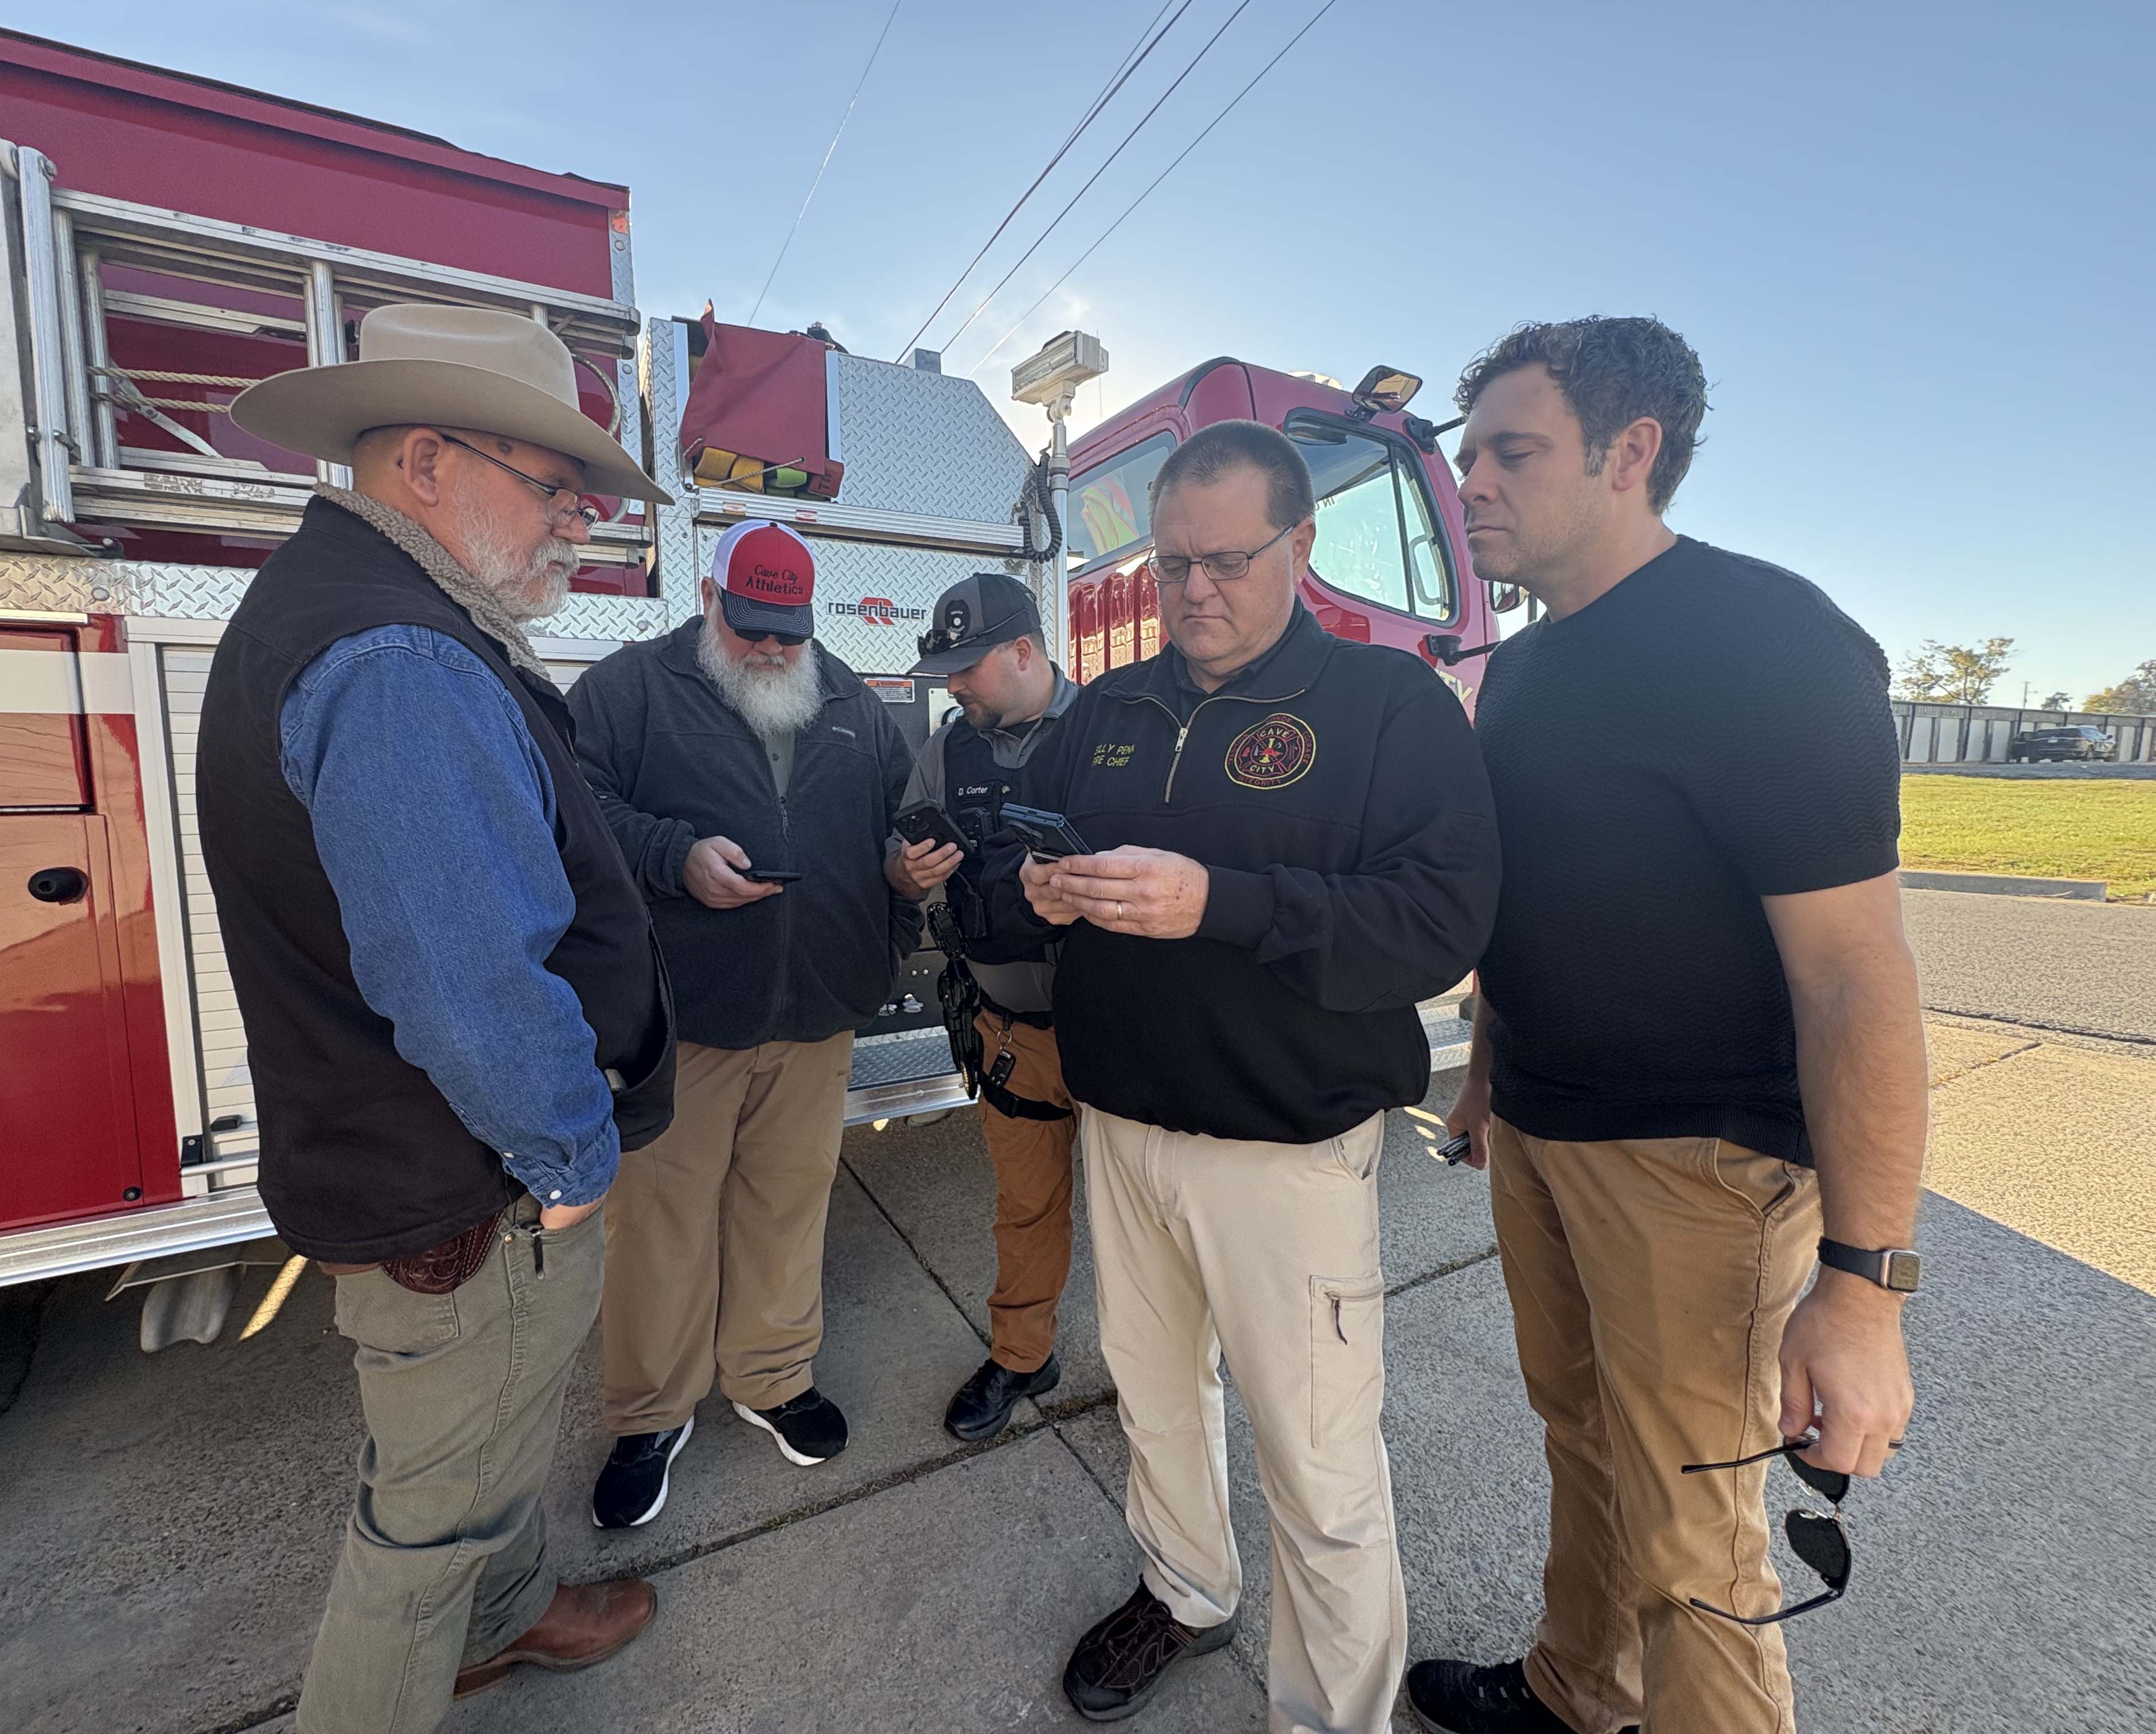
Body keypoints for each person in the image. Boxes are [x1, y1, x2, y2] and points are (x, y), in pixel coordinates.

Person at [1407, 318, 1926, 1734]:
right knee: (1581, 1439)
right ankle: (1583, 1688)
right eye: (1471, 461)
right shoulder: (1519, 672)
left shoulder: (1765, 641)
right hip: (1543, 1137)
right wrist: (1490, 1079)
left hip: (1703, 1173)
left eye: (1514, 454)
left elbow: (1856, 978)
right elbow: (1541, 903)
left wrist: (1866, 1289)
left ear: (1632, 455)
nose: (1476, 489)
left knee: (1702, 1541)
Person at [200, 303, 678, 1732]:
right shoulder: (399, 663)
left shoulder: (372, 615)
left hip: (435, 1176)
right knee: (425, 1531)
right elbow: (466, 989)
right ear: (424, 460)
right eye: (556, 489)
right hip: (473, 1190)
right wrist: (572, 1163)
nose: (580, 527)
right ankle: (446, 1639)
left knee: (480, 1453)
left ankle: (512, 1617)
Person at [992, 421, 1500, 1731]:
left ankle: (1337, 1716)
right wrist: (1040, 886)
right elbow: (1024, 849)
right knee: (1155, 1400)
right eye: (1172, 566)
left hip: (1285, 1153)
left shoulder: (1390, 708)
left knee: (1321, 1464)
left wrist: (1220, 901)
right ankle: (1187, 1589)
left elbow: (1439, 930)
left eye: (1226, 560)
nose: (1194, 592)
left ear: (1303, 543)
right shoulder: (1108, 707)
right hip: (1121, 1127)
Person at [570, 519, 944, 1527]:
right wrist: (673, 855)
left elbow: (889, 833)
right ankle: (650, 1413)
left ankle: (773, 1376)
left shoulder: (853, 703)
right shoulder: (628, 690)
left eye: (790, 629)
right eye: (753, 626)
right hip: (686, 1014)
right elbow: (569, 810)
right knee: (661, 1220)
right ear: (709, 597)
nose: (774, 650)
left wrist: (899, 891)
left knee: (789, 1202)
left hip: (816, 1009)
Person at [892, 573, 1081, 1442]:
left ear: (1024, 651)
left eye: (969, 666)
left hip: (1120, 1032)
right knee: (1027, 1207)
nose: (956, 685)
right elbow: (897, 858)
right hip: (1011, 1032)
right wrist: (908, 873)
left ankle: (1173, 1371)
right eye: (947, 669)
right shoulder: (946, 750)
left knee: (1153, 1221)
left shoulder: (1108, 732)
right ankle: (1021, 1355)